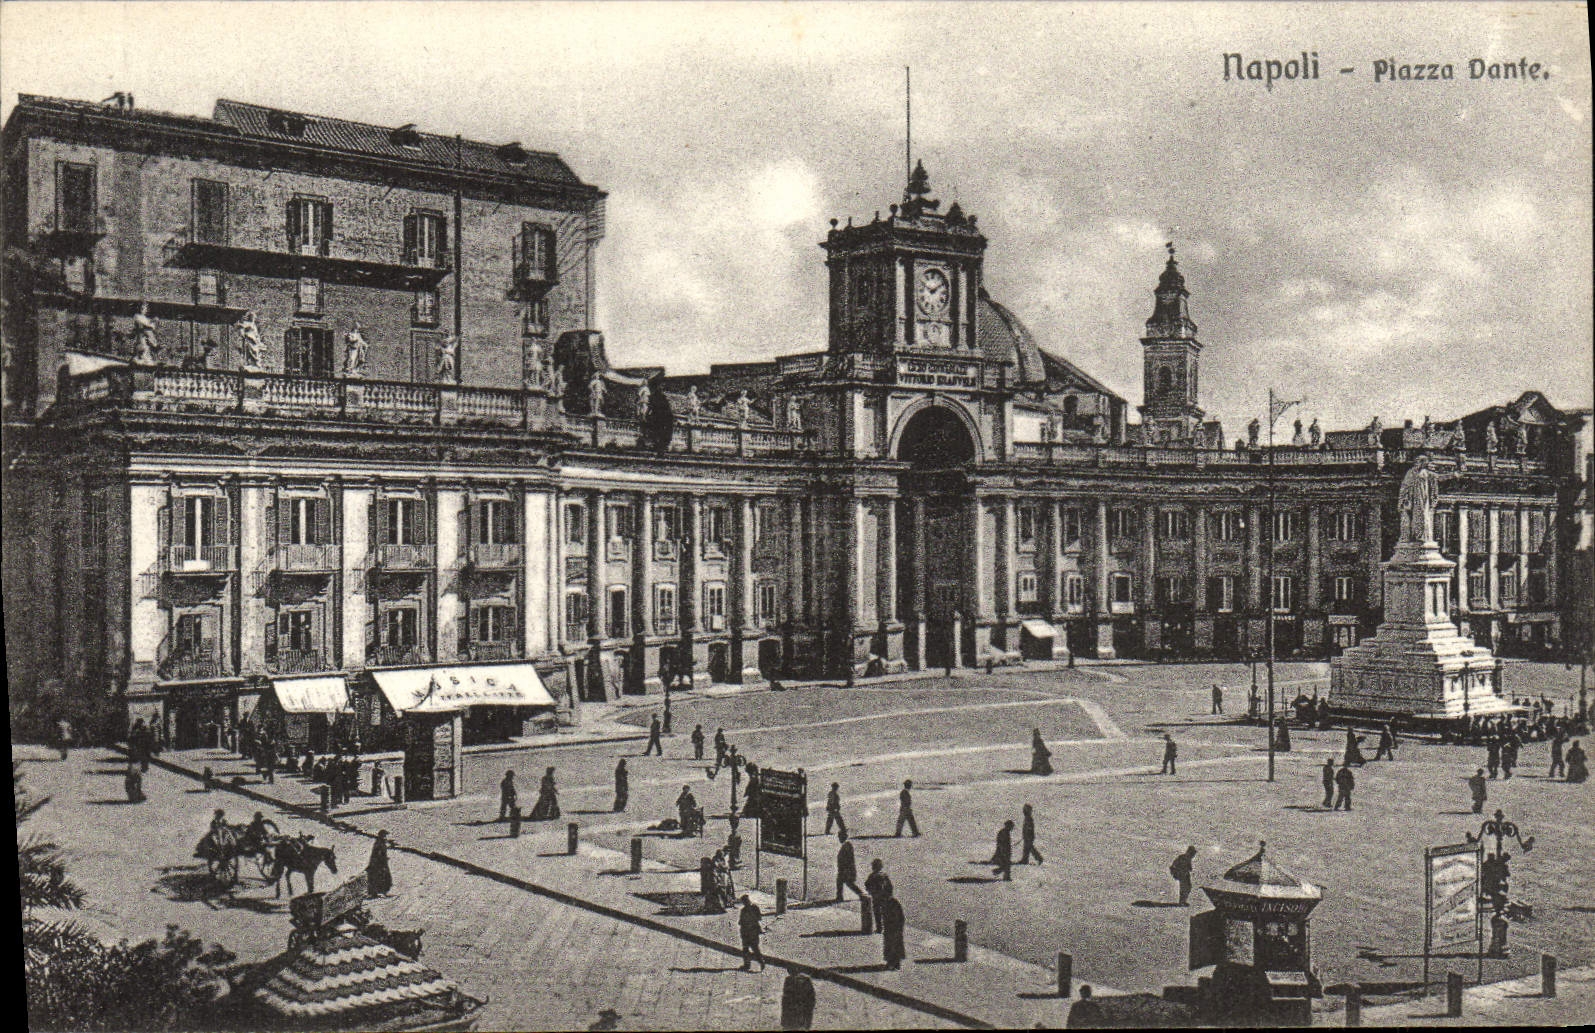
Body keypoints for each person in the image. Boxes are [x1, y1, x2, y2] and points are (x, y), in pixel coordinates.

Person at [780, 967, 816, 1031]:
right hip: (796, 1013)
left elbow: (785, 997)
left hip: (796, 1013)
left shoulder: (789, 980)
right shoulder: (789, 980)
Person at [878, 891, 906, 970]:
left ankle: (895, 964)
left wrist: (897, 928)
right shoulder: (886, 903)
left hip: (894, 928)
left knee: (894, 945)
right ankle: (891, 963)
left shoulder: (893, 904)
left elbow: (898, 917)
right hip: (889, 928)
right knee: (889, 945)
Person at [864, 859, 892, 934]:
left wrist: (870, 891)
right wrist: (889, 895)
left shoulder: (872, 876)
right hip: (884, 897)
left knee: (877, 913)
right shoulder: (884, 875)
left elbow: (867, 884)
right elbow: (890, 886)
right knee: (885, 912)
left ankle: (879, 928)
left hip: (876, 897)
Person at [737, 895, 765, 972]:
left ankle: (760, 963)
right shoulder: (749, 909)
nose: (746, 903)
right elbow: (759, 918)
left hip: (751, 932)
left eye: (746, 901)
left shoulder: (752, 908)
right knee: (748, 949)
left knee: (753, 948)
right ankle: (748, 964)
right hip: (748, 932)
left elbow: (740, 922)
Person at [835, 831, 864, 903]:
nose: (839, 839)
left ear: (843, 837)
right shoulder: (846, 845)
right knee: (843, 882)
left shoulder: (847, 845)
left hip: (847, 869)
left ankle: (862, 894)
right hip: (845, 869)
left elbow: (848, 859)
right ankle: (840, 896)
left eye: (840, 837)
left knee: (848, 883)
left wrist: (845, 869)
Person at [366, 829, 393, 897]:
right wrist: (382, 860)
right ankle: (380, 892)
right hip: (378, 863)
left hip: (379, 862)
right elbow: (378, 854)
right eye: (385, 835)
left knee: (380, 877)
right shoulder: (379, 843)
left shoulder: (380, 842)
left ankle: (377, 892)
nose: (385, 837)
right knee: (382, 877)